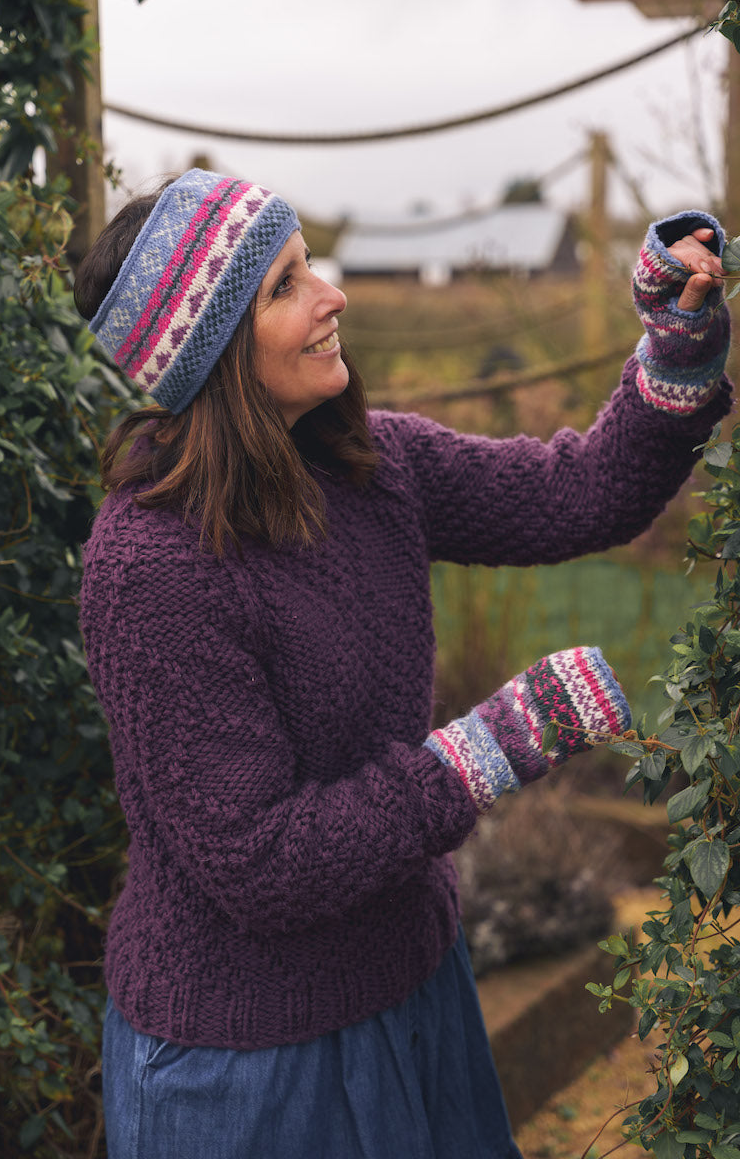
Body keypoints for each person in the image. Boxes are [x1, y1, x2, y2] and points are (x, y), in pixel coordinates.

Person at [75, 168, 732, 1159]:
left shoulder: (371, 468)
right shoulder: (151, 568)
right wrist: (485, 749)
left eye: (311, 264)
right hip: (248, 1071)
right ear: (208, 352)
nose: (331, 294)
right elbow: (256, 866)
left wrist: (671, 353)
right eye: (286, 285)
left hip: (414, 995)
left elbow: (582, 493)